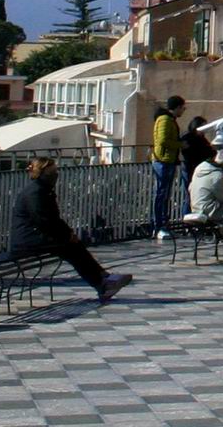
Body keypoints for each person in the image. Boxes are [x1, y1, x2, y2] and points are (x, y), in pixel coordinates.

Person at [11, 157, 133, 302]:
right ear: (44, 172)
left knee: (73, 245)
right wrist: (66, 235)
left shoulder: (43, 189)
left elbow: (53, 219)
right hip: (28, 240)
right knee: (70, 246)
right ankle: (102, 281)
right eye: (53, 171)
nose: (56, 174)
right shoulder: (35, 192)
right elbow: (44, 220)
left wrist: (68, 234)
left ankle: (103, 279)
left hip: (37, 236)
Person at [151, 95, 185, 240]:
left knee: (163, 194)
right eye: (182, 108)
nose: (183, 110)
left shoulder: (167, 120)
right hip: (163, 161)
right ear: (177, 107)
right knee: (162, 194)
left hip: (166, 160)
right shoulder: (165, 120)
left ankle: (162, 225)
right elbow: (163, 141)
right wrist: (180, 145)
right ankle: (159, 226)